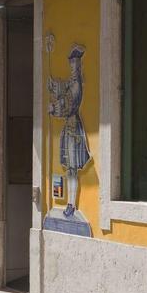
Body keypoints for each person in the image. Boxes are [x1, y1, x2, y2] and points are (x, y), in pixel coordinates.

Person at [48, 45, 90, 217]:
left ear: (79, 65)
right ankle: (70, 202)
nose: (72, 66)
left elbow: (68, 102)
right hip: (69, 128)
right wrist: (52, 84)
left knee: (72, 169)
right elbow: (62, 86)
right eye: (71, 63)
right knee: (69, 169)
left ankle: (71, 203)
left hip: (73, 129)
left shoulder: (77, 84)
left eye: (75, 63)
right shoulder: (72, 82)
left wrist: (54, 107)